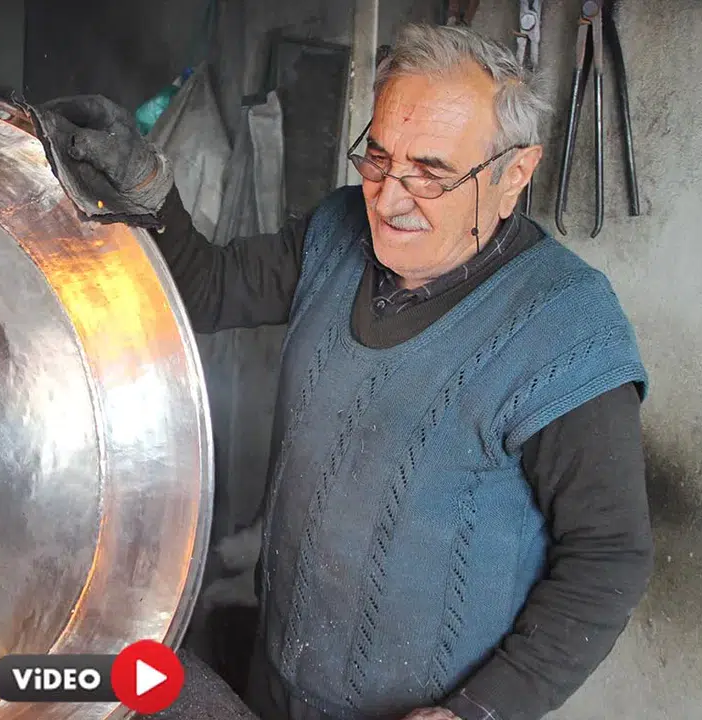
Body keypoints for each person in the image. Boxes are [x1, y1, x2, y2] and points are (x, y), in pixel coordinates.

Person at [35, 23, 653, 720]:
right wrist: (149, 187)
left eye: (431, 174)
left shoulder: (564, 327)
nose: (388, 201)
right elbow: (207, 289)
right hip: (282, 681)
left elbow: (608, 559)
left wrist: (478, 711)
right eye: (379, 159)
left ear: (515, 174)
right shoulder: (336, 232)